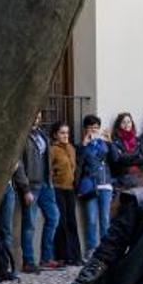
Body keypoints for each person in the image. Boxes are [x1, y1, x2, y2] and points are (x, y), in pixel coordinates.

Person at [13, 111, 61, 273]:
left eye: (39, 117)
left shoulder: (41, 134)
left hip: (46, 184)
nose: (37, 120)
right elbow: (17, 164)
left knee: (54, 217)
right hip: (31, 186)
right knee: (30, 224)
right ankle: (28, 261)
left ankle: (46, 258)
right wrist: (25, 188)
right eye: (35, 116)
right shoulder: (22, 136)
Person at [77, 114, 113, 255]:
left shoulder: (104, 143)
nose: (93, 130)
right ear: (85, 129)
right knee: (91, 219)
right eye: (90, 128)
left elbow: (114, 158)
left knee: (105, 219)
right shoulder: (82, 145)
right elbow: (80, 162)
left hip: (105, 184)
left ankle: (105, 249)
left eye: (96, 127)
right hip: (90, 185)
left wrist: (109, 142)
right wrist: (85, 145)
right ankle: (91, 249)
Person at [49, 122, 82, 266]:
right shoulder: (53, 150)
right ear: (56, 134)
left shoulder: (71, 148)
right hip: (57, 188)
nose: (65, 136)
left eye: (67, 133)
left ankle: (76, 255)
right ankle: (64, 255)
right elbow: (49, 169)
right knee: (61, 222)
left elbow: (74, 168)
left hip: (69, 188)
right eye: (62, 133)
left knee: (72, 222)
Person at [108, 111, 143, 189]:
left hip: (140, 173)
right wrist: (136, 156)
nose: (127, 125)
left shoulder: (138, 140)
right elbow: (117, 160)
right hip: (124, 175)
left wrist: (126, 157)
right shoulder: (115, 141)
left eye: (129, 122)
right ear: (119, 125)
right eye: (123, 122)